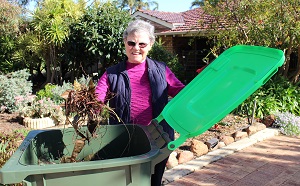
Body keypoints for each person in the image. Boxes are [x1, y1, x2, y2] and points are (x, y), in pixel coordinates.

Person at [95, 19, 185, 186]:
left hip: (158, 139)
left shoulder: (161, 70)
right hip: (124, 140)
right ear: (125, 43)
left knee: (154, 181)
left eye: (142, 44)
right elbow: (98, 96)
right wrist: (93, 106)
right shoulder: (112, 74)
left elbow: (182, 92)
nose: (136, 48)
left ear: (150, 44)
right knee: (128, 182)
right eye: (131, 43)